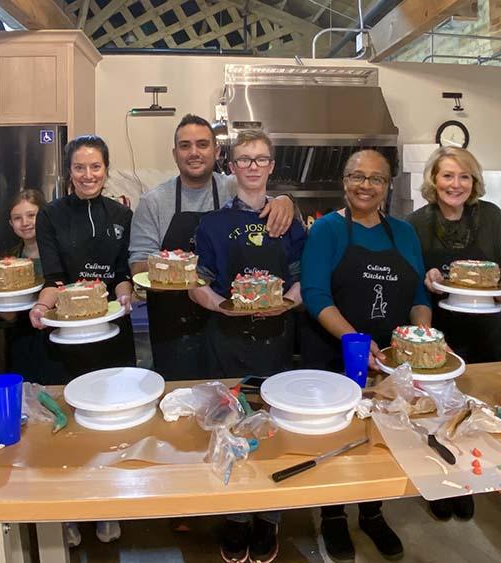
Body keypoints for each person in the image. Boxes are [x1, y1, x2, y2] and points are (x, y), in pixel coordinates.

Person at [301, 149, 431, 562]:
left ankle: (373, 511)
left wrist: (421, 333)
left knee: (382, 437)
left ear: (387, 185)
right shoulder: (327, 230)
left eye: (375, 179)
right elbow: (314, 294)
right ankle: (333, 514)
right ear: (344, 181)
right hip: (335, 351)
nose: (365, 185)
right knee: (339, 436)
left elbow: (418, 294)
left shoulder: (404, 233)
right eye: (357, 176)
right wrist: (354, 339)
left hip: (390, 359)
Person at [189, 129, 305, 563]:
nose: (253, 166)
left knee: (273, 433)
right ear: (231, 166)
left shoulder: (288, 220)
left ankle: (268, 519)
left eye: (261, 159)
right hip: (226, 342)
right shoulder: (213, 224)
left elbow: (301, 278)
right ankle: (236, 516)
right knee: (230, 429)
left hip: (276, 342)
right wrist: (221, 306)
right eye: (244, 159)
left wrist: (287, 304)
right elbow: (196, 282)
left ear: (272, 166)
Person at [129, 114, 295, 380]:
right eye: (185, 146)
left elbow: (260, 196)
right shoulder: (154, 201)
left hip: (226, 323)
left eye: (203, 144)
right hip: (174, 329)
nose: (194, 152)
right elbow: (138, 265)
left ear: (217, 152)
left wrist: (285, 200)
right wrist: (175, 272)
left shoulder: (231, 185)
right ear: (175, 153)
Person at [27, 135, 134, 546]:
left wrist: (124, 293)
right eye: (79, 168)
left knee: (108, 424)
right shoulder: (51, 215)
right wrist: (41, 306)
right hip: (65, 337)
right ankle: (66, 510)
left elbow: (122, 271)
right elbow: (54, 277)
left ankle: (105, 505)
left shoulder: (121, 215)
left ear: (106, 170)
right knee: (66, 424)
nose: (88, 175)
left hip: (111, 332)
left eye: (95, 167)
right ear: (68, 172)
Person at [406, 146, 501, 521]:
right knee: (435, 414)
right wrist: (429, 280)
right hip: (440, 335)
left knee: (479, 410)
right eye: (447, 176)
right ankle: (439, 484)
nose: (455, 184)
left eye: (464, 177)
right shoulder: (416, 224)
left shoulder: (490, 216)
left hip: (490, 330)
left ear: (473, 182)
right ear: (433, 180)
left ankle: (471, 480)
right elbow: (411, 283)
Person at [0, 189, 65, 384]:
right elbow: (8, 315)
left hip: (57, 337)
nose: (25, 223)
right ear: (11, 224)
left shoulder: (62, 255)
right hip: (22, 340)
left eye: (31, 215)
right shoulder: (7, 261)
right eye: (17, 218)